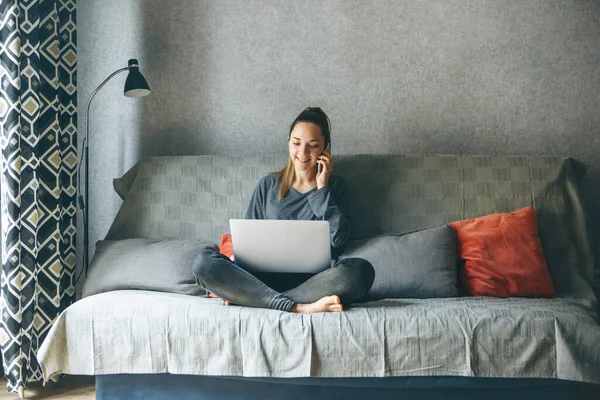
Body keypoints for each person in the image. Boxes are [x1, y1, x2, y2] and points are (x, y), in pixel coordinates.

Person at [192, 107, 375, 313]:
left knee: (361, 272)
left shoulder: (337, 187)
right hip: (261, 279)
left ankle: (255, 299)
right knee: (203, 263)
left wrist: (322, 190)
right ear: (288, 142)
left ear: (326, 149)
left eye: (313, 146)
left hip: (314, 282)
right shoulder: (268, 185)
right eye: (296, 143)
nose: (303, 153)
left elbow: (338, 241)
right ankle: (299, 307)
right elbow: (246, 245)